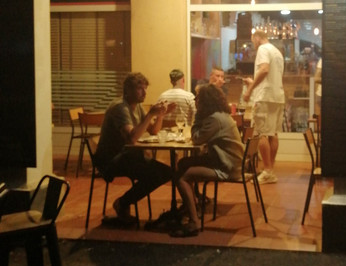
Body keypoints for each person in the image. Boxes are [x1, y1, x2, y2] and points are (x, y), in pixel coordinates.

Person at [95, 72, 175, 224]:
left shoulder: (137, 106)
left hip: (127, 157)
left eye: (145, 89)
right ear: (127, 90)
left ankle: (123, 203)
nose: (144, 93)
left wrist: (161, 115)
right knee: (161, 173)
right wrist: (150, 114)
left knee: (165, 172)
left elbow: (153, 130)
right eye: (140, 89)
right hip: (110, 160)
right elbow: (131, 139)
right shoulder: (120, 107)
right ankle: (122, 203)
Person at [171, 84, 244, 237]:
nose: (195, 101)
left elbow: (197, 139)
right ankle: (192, 205)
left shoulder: (214, 119)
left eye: (198, 99)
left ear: (205, 101)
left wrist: (197, 116)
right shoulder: (222, 115)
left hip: (226, 168)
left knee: (182, 177)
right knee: (183, 163)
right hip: (231, 162)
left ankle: (194, 221)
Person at [242, 30, 285, 184]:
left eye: (253, 40)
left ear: (257, 38)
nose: (253, 44)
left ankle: (267, 171)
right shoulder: (277, 52)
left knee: (261, 134)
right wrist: (253, 82)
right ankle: (270, 170)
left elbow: (265, 69)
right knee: (273, 134)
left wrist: (250, 88)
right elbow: (271, 75)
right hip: (277, 96)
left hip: (264, 97)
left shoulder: (263, 48)